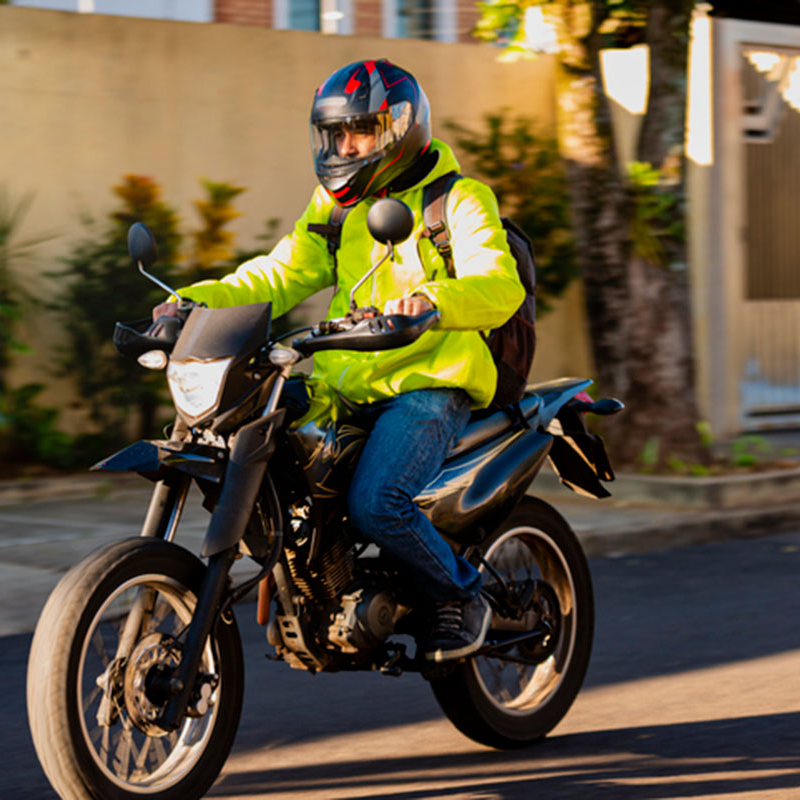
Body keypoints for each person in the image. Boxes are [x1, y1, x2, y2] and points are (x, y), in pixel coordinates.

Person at [152, 59, 525, 662]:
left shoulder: (457, 200)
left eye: (358, 133)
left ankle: (463, 593)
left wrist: (430, 302)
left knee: (377, 503)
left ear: (399, 130)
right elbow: (277, 274)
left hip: (428, 385)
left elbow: (498, 285)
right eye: (334, 136)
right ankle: (316, 576)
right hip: (343, 377)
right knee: (237, 430)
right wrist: (191, 302)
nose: (344, 148)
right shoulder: (334, 208)